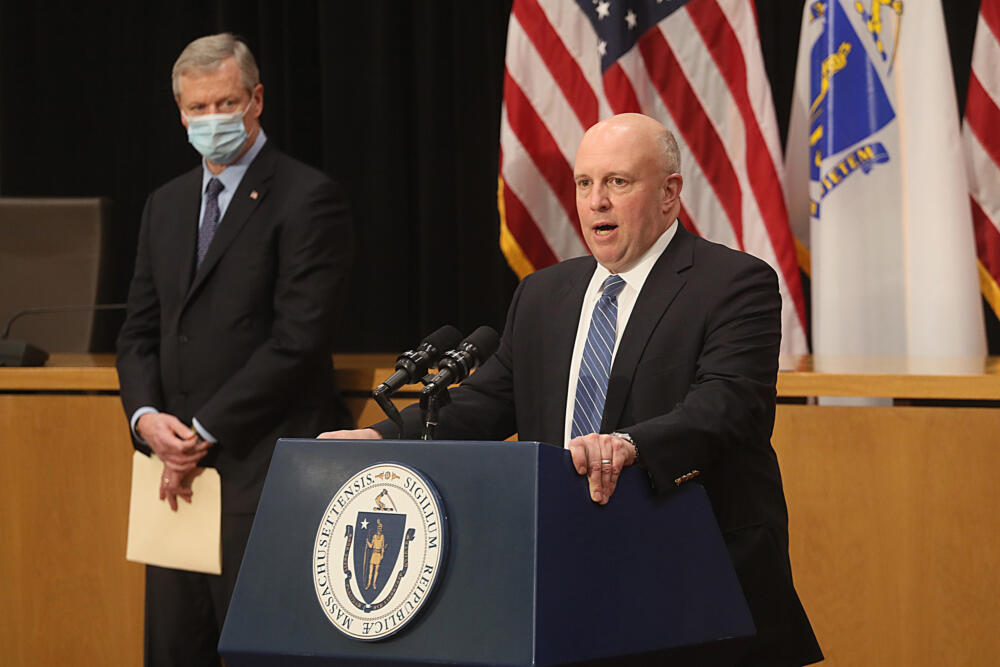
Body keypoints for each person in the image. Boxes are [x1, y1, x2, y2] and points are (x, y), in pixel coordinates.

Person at [321, 113, 822, 666]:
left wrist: (631, 444)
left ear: (669, 193)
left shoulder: (732, 282)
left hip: (695, 578)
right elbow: (481, 405)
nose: (596, 202)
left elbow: (729, 404)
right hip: (568, 577)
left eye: (618, 182)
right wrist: (372, 438)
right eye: (585, 183)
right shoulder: (543, 293)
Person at [116, 33, 354, 666]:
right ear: (180, 112)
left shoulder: (308, 199)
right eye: (198, 108)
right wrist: (147, 421)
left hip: (263, 471)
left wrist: (200, 429)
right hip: (174, 479)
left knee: (259, 651)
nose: (211, 119)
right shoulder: (164, 206)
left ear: (257, 100)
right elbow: (138, 332)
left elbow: (296, 341)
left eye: (225, 103)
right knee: (172, 651)